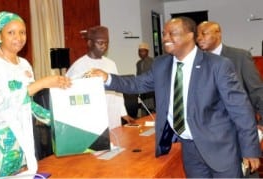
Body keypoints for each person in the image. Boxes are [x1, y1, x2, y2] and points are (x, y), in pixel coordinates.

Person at [88, 17, 261, 178]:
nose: (165, 37)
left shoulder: (218, 65)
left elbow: (240, 109)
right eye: (164, 33)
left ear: (190, 35)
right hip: (190, 150)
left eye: (173, 33)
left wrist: (250, 149)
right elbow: (136, 84)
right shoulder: (161, 64)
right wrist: (108, 78)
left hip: (220, 149)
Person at [0, 11, 71, 178]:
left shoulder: (25, 65)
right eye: (11, 32)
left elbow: (27, 102)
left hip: (17, 138)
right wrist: (42, 83)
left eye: (22, 32)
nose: (19, 37)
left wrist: (57, 121)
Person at [66, 25, 134, 129]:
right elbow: (69, 96)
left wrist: (123, 112)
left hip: (112, 115)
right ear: (89, 43)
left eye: (107, 43)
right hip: (91, 120)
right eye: (100, 43)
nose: (104, 46)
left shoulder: (111, 64)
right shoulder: (78, 66)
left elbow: (118, 90)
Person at [196, 21, 263, 127]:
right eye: (197, 35)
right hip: (207, 127)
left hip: (238, 125)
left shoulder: (240, 57)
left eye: (204, 33)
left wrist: (262, 123)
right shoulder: (196, 61)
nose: (199, 38)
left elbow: (256, 90)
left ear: (218, 33)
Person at [136, 42, 155, 116]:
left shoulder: (153, 61)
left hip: (151, 90)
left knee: (151, 108)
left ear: (147, 51)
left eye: (143, 51)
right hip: (142, 89)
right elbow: (138, 76)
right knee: (144, 108)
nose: (141, 53)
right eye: (139, 51)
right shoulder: (138, 63)